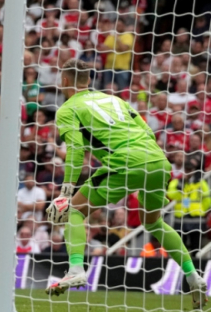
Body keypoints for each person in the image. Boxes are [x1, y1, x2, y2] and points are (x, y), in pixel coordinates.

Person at [45, 59, 207, 308]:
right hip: (157, 161)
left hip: (125, 161)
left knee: (73, 210)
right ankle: (193, 275)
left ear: (64, 81)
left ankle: (76, 268)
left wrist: (66, 190)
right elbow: (148, 132)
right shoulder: (114, 99)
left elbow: (76, 149)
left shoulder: (68, 109)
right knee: (153, 222)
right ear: (88, 80)